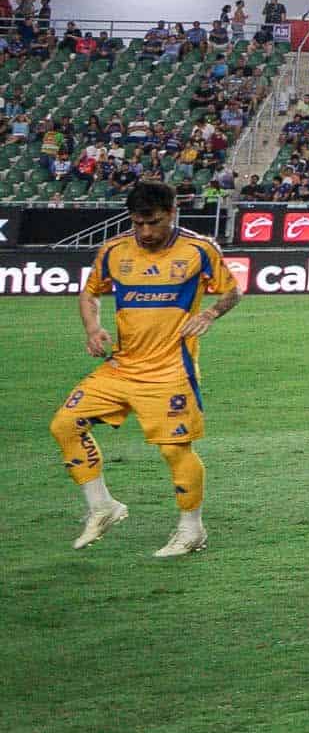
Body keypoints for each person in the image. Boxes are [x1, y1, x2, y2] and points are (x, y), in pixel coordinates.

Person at [52, 180, 236, 557]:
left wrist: (211, 313)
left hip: (171, 370)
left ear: (172, 213)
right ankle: (103, 506)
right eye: (138, 223)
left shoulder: (198, 250)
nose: (146, 232)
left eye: (153, 222)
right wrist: (92, 327)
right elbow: (90, 292)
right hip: (121, 366)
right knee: (65, 424)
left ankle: (191, 530)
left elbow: (232, 289)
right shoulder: (114, 250)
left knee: (174, 450)